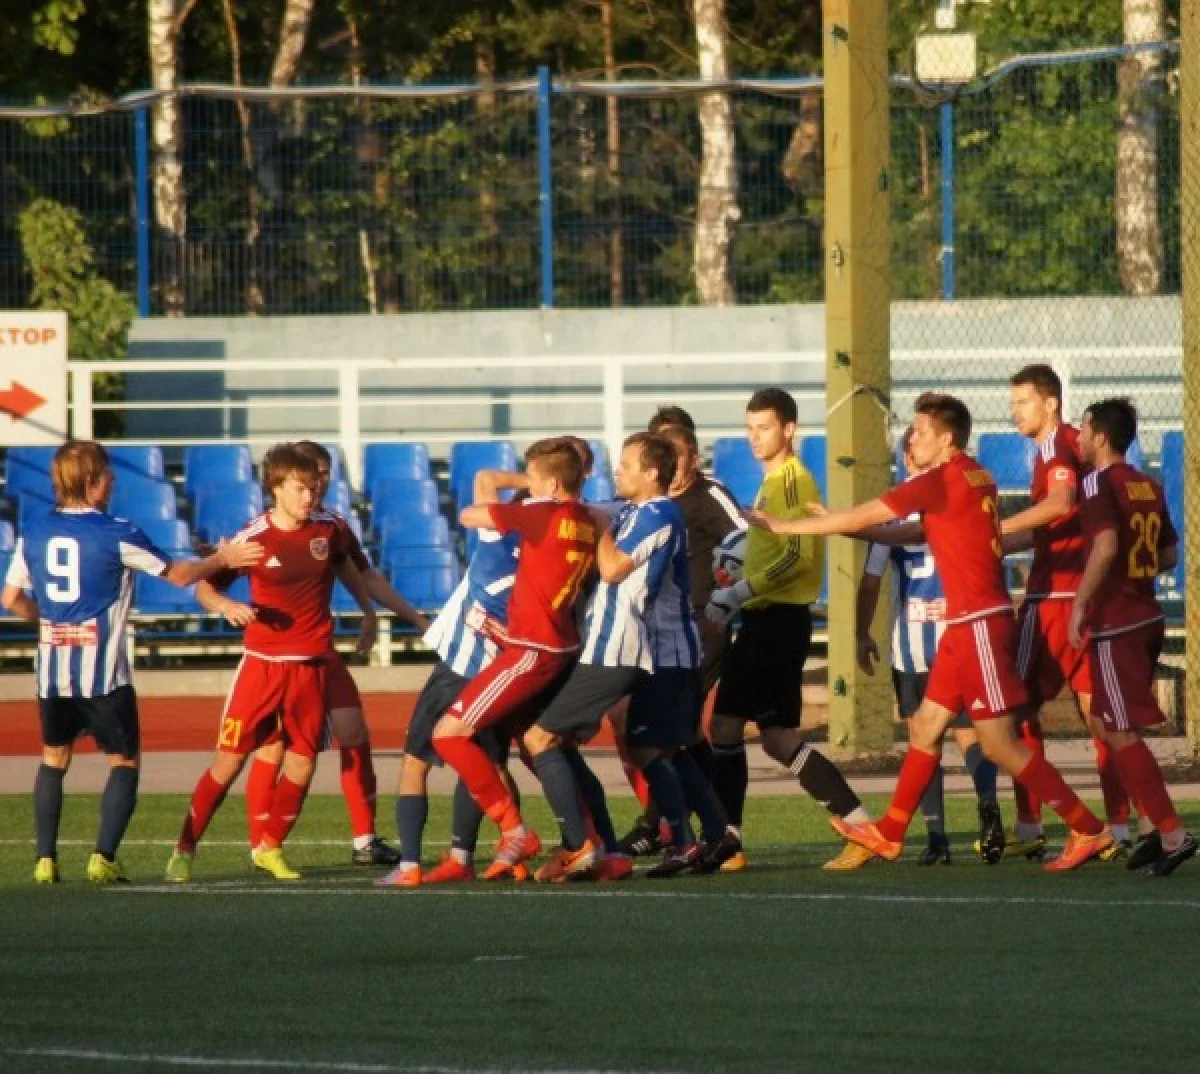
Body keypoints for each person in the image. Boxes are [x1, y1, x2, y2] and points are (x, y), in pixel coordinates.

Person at [750, 392, 1115, 871]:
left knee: (998, 743)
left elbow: (870, 514)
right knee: (925, 727)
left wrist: (787, 527)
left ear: (946, 440)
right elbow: (917, 532)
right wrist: (853, 529)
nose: (913, 438)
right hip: (963, 626)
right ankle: (891, 833)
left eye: (921, 431)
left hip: (978, 623)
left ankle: (1087, 827)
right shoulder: (974, 474)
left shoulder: (937, 480)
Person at [0, 440, 263, 884]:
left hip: (52, 673)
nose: (113, 480)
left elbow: (11, 599)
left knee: (54, 758)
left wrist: (48, 621)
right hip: (104, 674)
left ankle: (45, 859)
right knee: (124, 761)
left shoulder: (35, 531)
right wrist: (222, 558)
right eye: (106, 474)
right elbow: (178, 576)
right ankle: (102, 856)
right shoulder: (116, 532)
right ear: (91, 482)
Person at [165, 443, 376, 883]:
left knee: (303, 762)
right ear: (276, 488)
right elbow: (205, 586)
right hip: (262, 667)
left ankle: (270, 847)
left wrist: (368, 611)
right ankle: (184, 848)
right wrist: (225, 605)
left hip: (310, 667)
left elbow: (346, 565)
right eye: (300, 488)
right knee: (229, 762)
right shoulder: (254, 537)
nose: (310, 496)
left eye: (314, 487)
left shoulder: (330, 528)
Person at [530, 432, 735, 881]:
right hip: (654, 647)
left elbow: (612, 567)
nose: (617, 472)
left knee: (643, 744)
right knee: (664, 745)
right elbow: (595, 512)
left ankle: (668, 840)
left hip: (664, 649)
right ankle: (712, 834)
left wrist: (599, 530)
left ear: (652, 473)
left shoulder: (659, 512)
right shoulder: (639, 510)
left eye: (626, 465)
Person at [705, 388, 870, 871]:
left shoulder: (793, 483)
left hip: (777, 621)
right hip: (765, 618)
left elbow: (797, 556)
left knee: (741, 729)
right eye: (750, 429)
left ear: (789, 429)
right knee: (756, 733)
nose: (754, 437)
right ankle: (733, 839)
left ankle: (732, 838)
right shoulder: (773, 482)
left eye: (765, 428)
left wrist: (741, 590)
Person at [432, 437, 598, 879]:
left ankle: (513, 829)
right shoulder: (587, 517)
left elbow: (471, 514)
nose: (529, 488)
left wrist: (527, 492)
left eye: (536, 480)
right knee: (538, 746)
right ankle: (591, 842)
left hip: (532, 650)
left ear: (553, 485)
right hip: (558, 644)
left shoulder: (542, 514)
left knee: (448, 735)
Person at [852, 427, 1002, 868]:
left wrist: (862, 633)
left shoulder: (897, 514)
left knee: (924, 738)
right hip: (956, 634)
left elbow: (871, 581)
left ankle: (937, 837)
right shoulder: (963, 500)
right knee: (968, 733)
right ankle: (986, 806)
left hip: (915, 643)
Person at [1000, 364, 1132, 860]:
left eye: (1024, 402)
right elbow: (1060, 524)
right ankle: (1119, 828)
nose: (1015, 412)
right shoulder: (1080, 446)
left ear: (1051, 403)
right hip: (1091, 597)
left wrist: (996, 528)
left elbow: (1059, 504)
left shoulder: (1058, 447)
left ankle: (1031, 824)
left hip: (1053, 600)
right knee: (1101, 718)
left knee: (1013, 712)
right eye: (1013, 403)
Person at [1070, 398, 1195, 876]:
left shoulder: (1097, 482)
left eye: (1084, 430)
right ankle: (1154, 829)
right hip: (1146, 615)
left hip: (1116, 620)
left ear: (1100, 437)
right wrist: (1134, 572)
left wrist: (1080, 604)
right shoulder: (1148, 484)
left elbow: (1104, 546)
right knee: (1109, 725)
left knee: (1118, 730)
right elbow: (1169, 554)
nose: (1079, 438)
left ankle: (1173, 833)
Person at [380, 468, 523, 888]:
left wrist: (532, 480)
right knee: (483, 764)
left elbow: (484, 480)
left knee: (415, 762)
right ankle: (471, 854)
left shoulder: (499, 542)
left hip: (460, 664)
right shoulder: (547, 561)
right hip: (499, 673)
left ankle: (409, 865)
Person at [294, 440, 429, 866]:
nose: (321, 481)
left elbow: (365, 576)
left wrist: (411, 618)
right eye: (313, 473)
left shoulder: (333, 526)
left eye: (325, 472)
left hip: (322, 652)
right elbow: (215, 577)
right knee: (276, 754)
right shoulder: (265, 527)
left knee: (353, 734)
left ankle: (365, 839)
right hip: (274, 660)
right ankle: (263, 842)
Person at [617, 416, 746, 857]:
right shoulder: (647, 507)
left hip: (698, 627)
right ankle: (710, 827)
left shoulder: (709, 495)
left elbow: (745, 544)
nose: (675, 465)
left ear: (692, 454)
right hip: (656, 631)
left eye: (681, 454)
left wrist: (724, 603)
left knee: (669, 730)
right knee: (676, 732)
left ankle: (667, 825)